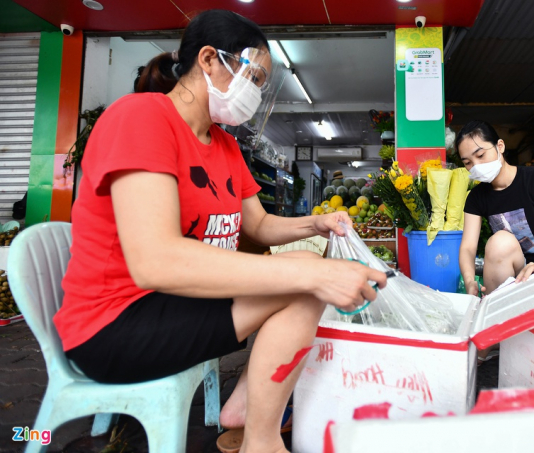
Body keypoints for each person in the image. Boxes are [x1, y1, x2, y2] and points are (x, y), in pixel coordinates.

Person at [53, 10, 387, 453]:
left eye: (261, 85)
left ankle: (247, 411)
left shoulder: (226, 145)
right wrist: (315, 275)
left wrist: (317, 224)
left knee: (307, 271)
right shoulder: (140, 118)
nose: (255, 92)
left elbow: (259, 225)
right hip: (114, 325)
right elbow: (156, 261)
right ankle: (260, 440)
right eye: (253, 76)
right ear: (209, 60)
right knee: (307, 282)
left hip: (178, 305)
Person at [457, 120, 534, 297]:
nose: (476, 166)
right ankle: (499, 314)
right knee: (499, 242)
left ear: (500, 146)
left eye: (480, 155)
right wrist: (469, 280)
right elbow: (468, 248)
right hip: (515, 277)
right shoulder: (476, 197)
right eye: (468, 162)